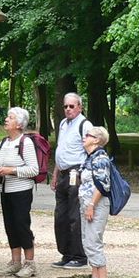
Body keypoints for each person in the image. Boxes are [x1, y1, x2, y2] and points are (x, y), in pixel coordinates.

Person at [0, 107, 40, 278]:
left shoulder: (26, 142)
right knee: (10, 226)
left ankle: (30, 264)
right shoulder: (5, 142)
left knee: (21, 225)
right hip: (5, 189)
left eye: (10, 118)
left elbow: (34, 169)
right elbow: (2, 162)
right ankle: (15, 262)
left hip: (21, 191)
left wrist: (10, 171)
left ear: (19, 124)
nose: (6, 120)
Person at [50, 91, 91, 268]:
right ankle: (66, 253)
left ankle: (79, 255)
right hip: (63, 173)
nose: (68, 109)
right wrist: (55, 174)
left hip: (77, 173)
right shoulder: (62, 124)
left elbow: (91, 150)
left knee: (75, 215)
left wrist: (86, 175)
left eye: (71, 106)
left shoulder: (85, 124)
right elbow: (62, 150)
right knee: (61, 215)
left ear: (79, 107)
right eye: (65, 106)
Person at [75, 125, 113, 278]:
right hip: (87, 203)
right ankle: (95, 276)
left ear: (97, 140)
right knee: (86, 239)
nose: (84, 137)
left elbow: (103, 185)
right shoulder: (90, 157)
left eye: (88, 135)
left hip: (96, 204)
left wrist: (91, 205)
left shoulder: (100, 159)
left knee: (93, 240)